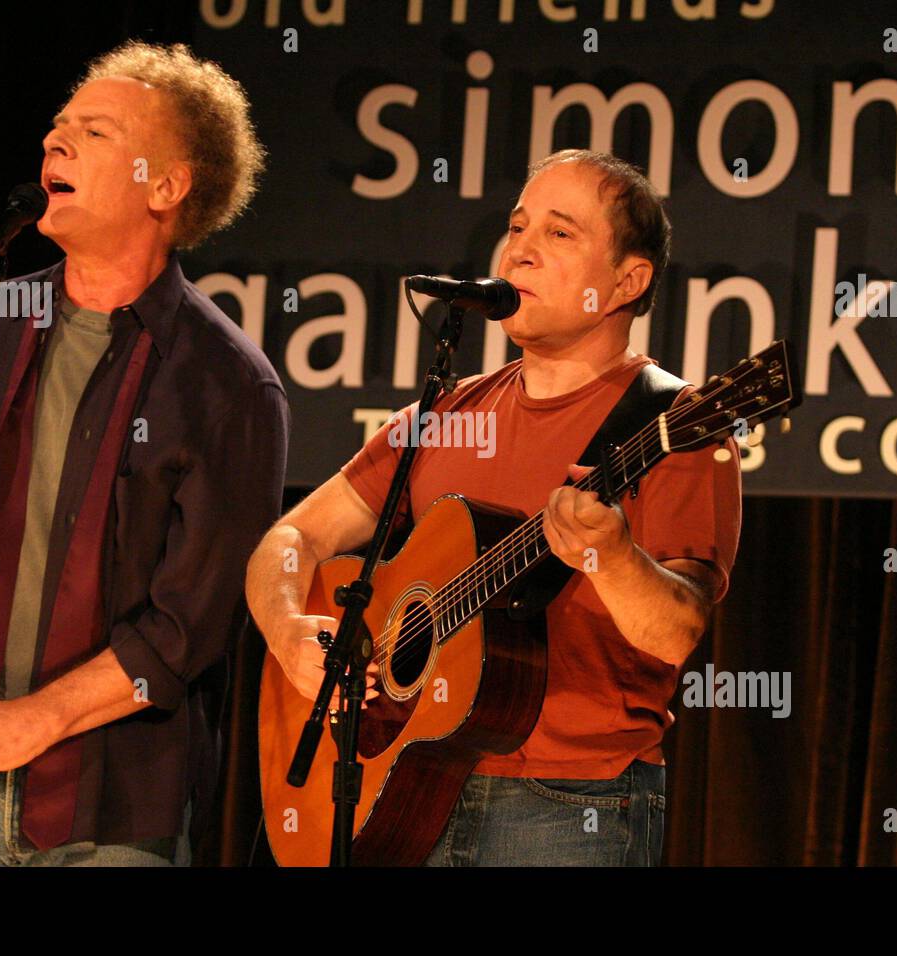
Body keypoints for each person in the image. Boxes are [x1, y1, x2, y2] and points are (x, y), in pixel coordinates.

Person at [0, 41, 287, 866]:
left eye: (92, 133)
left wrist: (38, 720)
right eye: (57, 129)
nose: (55, 143)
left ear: (165, 186)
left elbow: (191, 623)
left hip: (110, 816)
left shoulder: (230, 385)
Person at [245, 148, 741, 866]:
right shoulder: (447, 412)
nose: (521, 249)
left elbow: (674, 632)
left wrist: (609, 554)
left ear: (629, 280)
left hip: (568, 808)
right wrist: (291, 629)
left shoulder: (674, 424)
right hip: (398, 785)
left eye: (560, 233)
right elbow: (293, 536)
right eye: (517, 226)